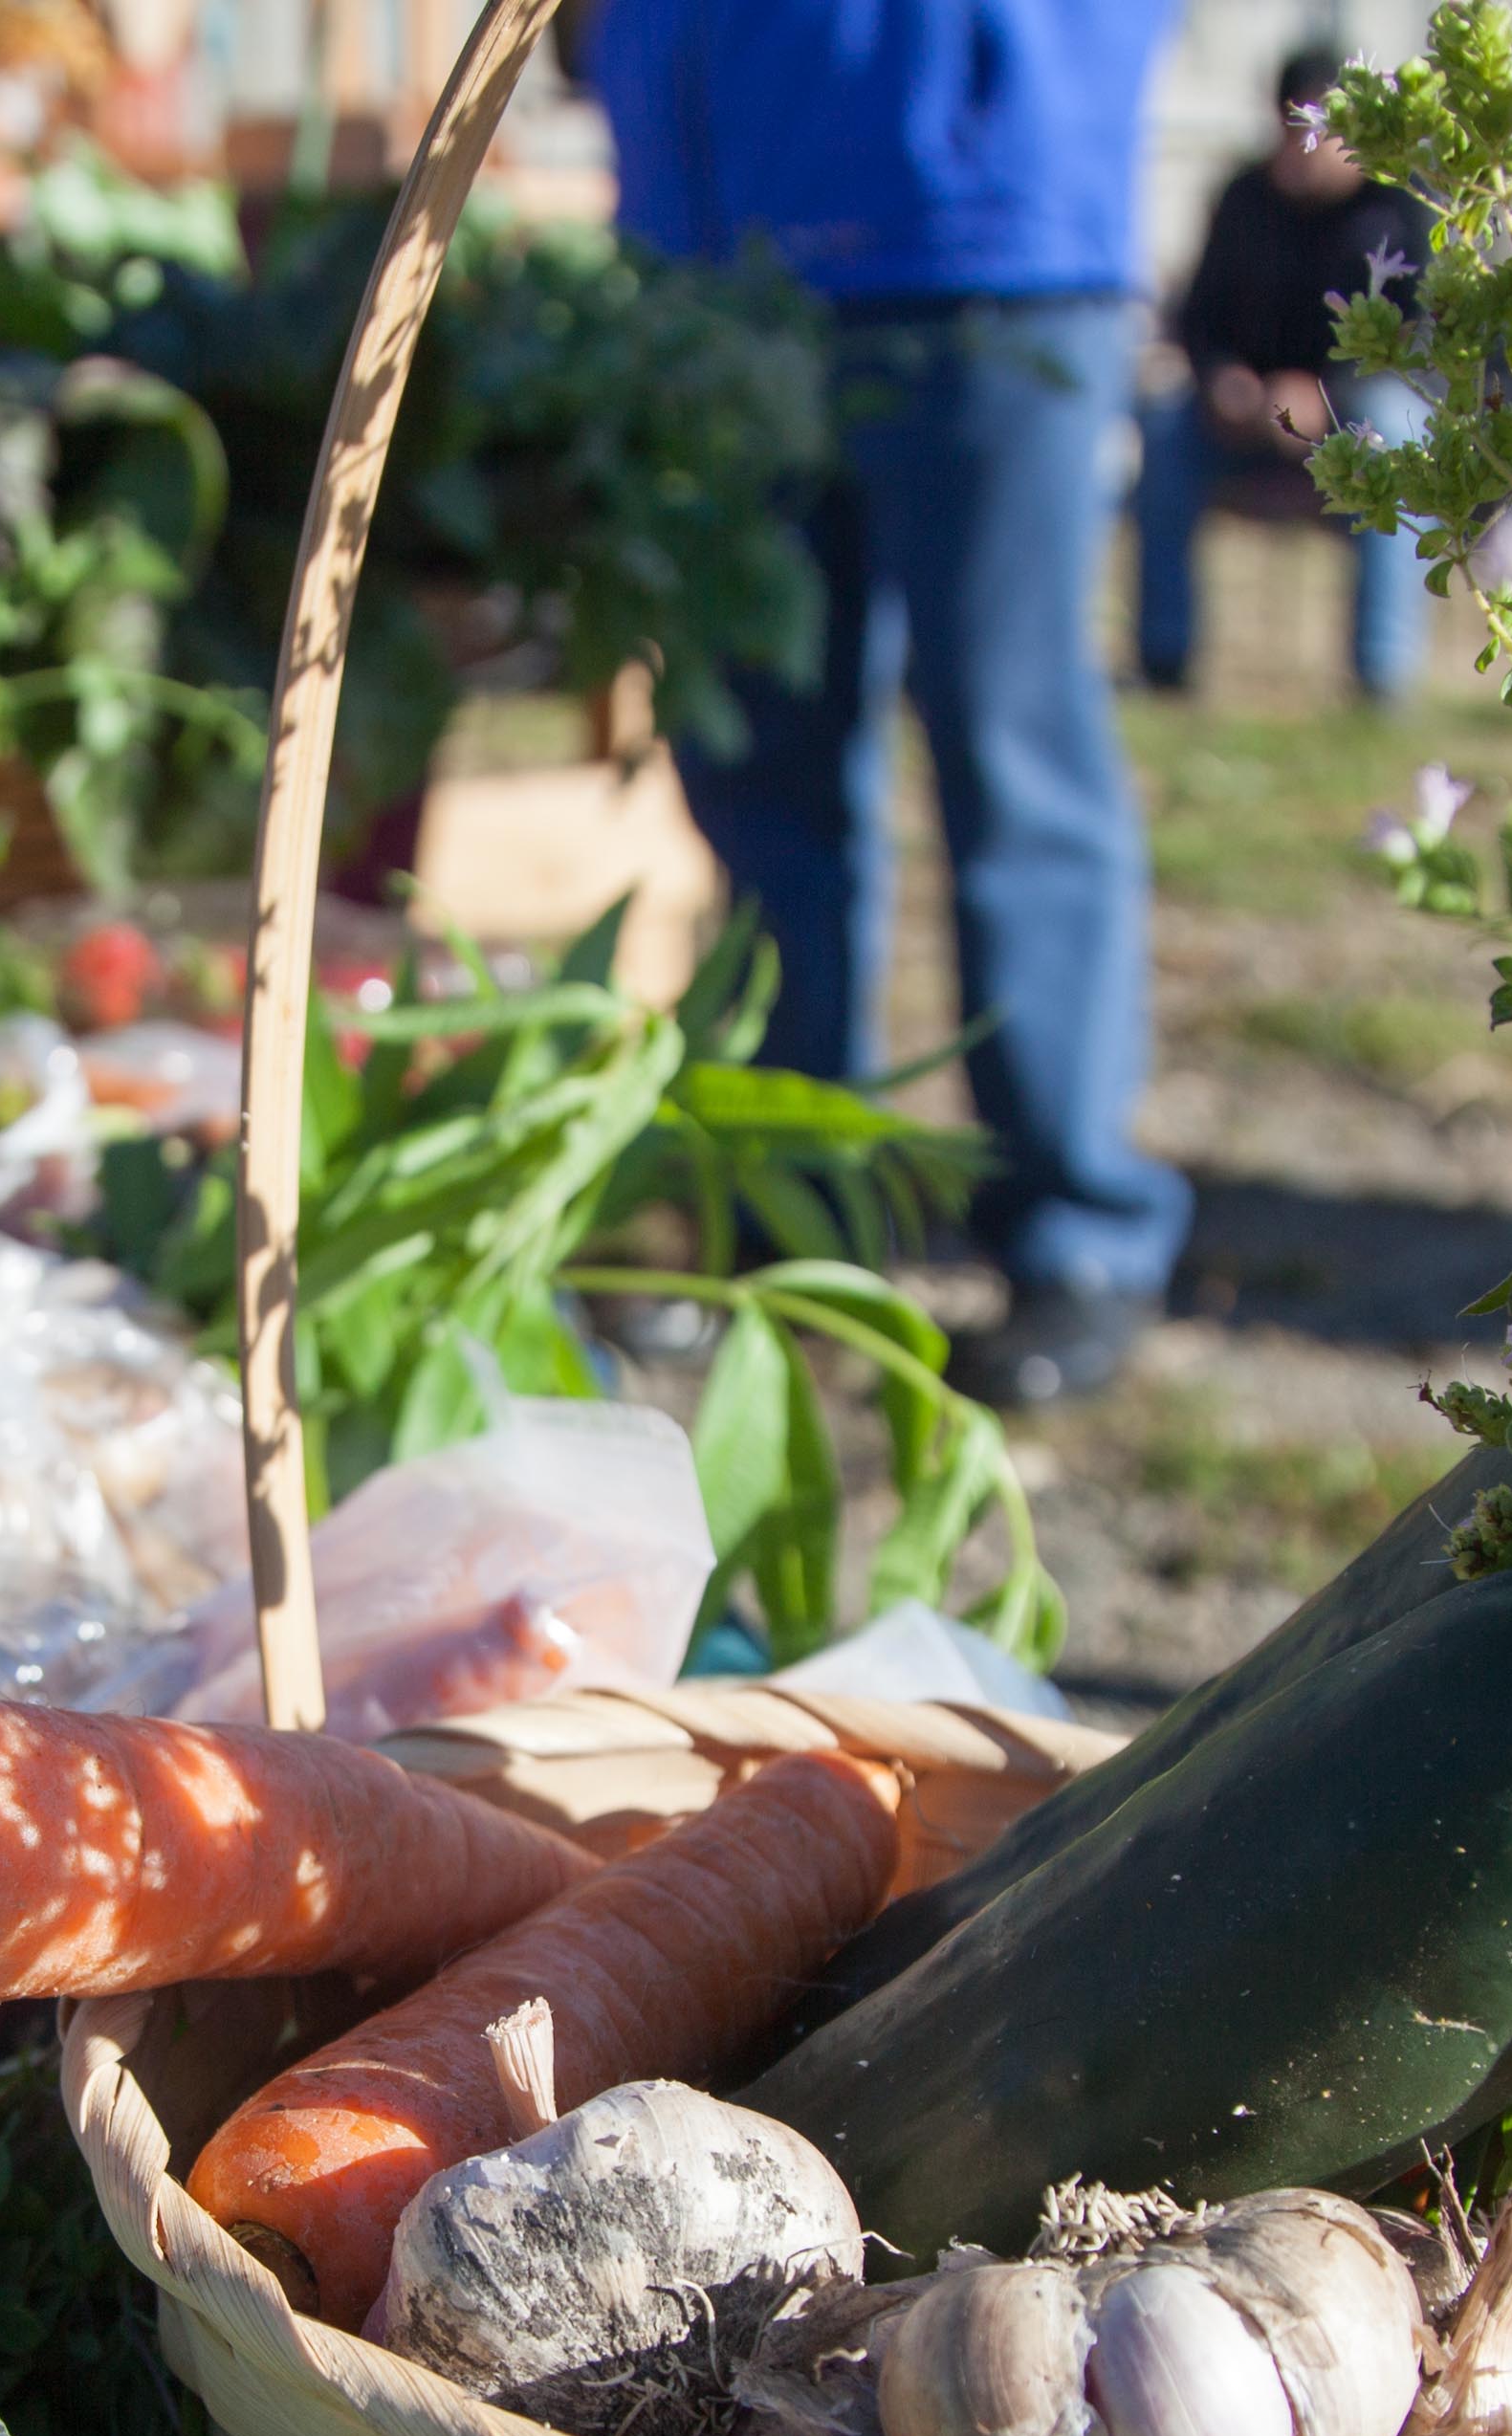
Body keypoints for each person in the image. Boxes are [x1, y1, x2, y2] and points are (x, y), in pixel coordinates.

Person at [586, 0, 1187, 1408]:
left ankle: (1077, 1234)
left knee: (1013, 751)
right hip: (716, 237)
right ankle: (789, 1221)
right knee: (758, 777)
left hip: (984, 219)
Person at [1136, 46, 1432, 701]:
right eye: (1293, 130)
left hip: (1353, 415)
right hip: (1243, 420)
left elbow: (1422, 333)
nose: (1305, 150)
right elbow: (1200, 316)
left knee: (1396, 428)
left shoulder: (1396, 206)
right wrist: (1221, 379)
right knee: (1164, 429)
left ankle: (1383, 672)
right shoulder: (1244, 198)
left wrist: (1326, 394)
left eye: (1320, 133)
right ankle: (1163, 657)